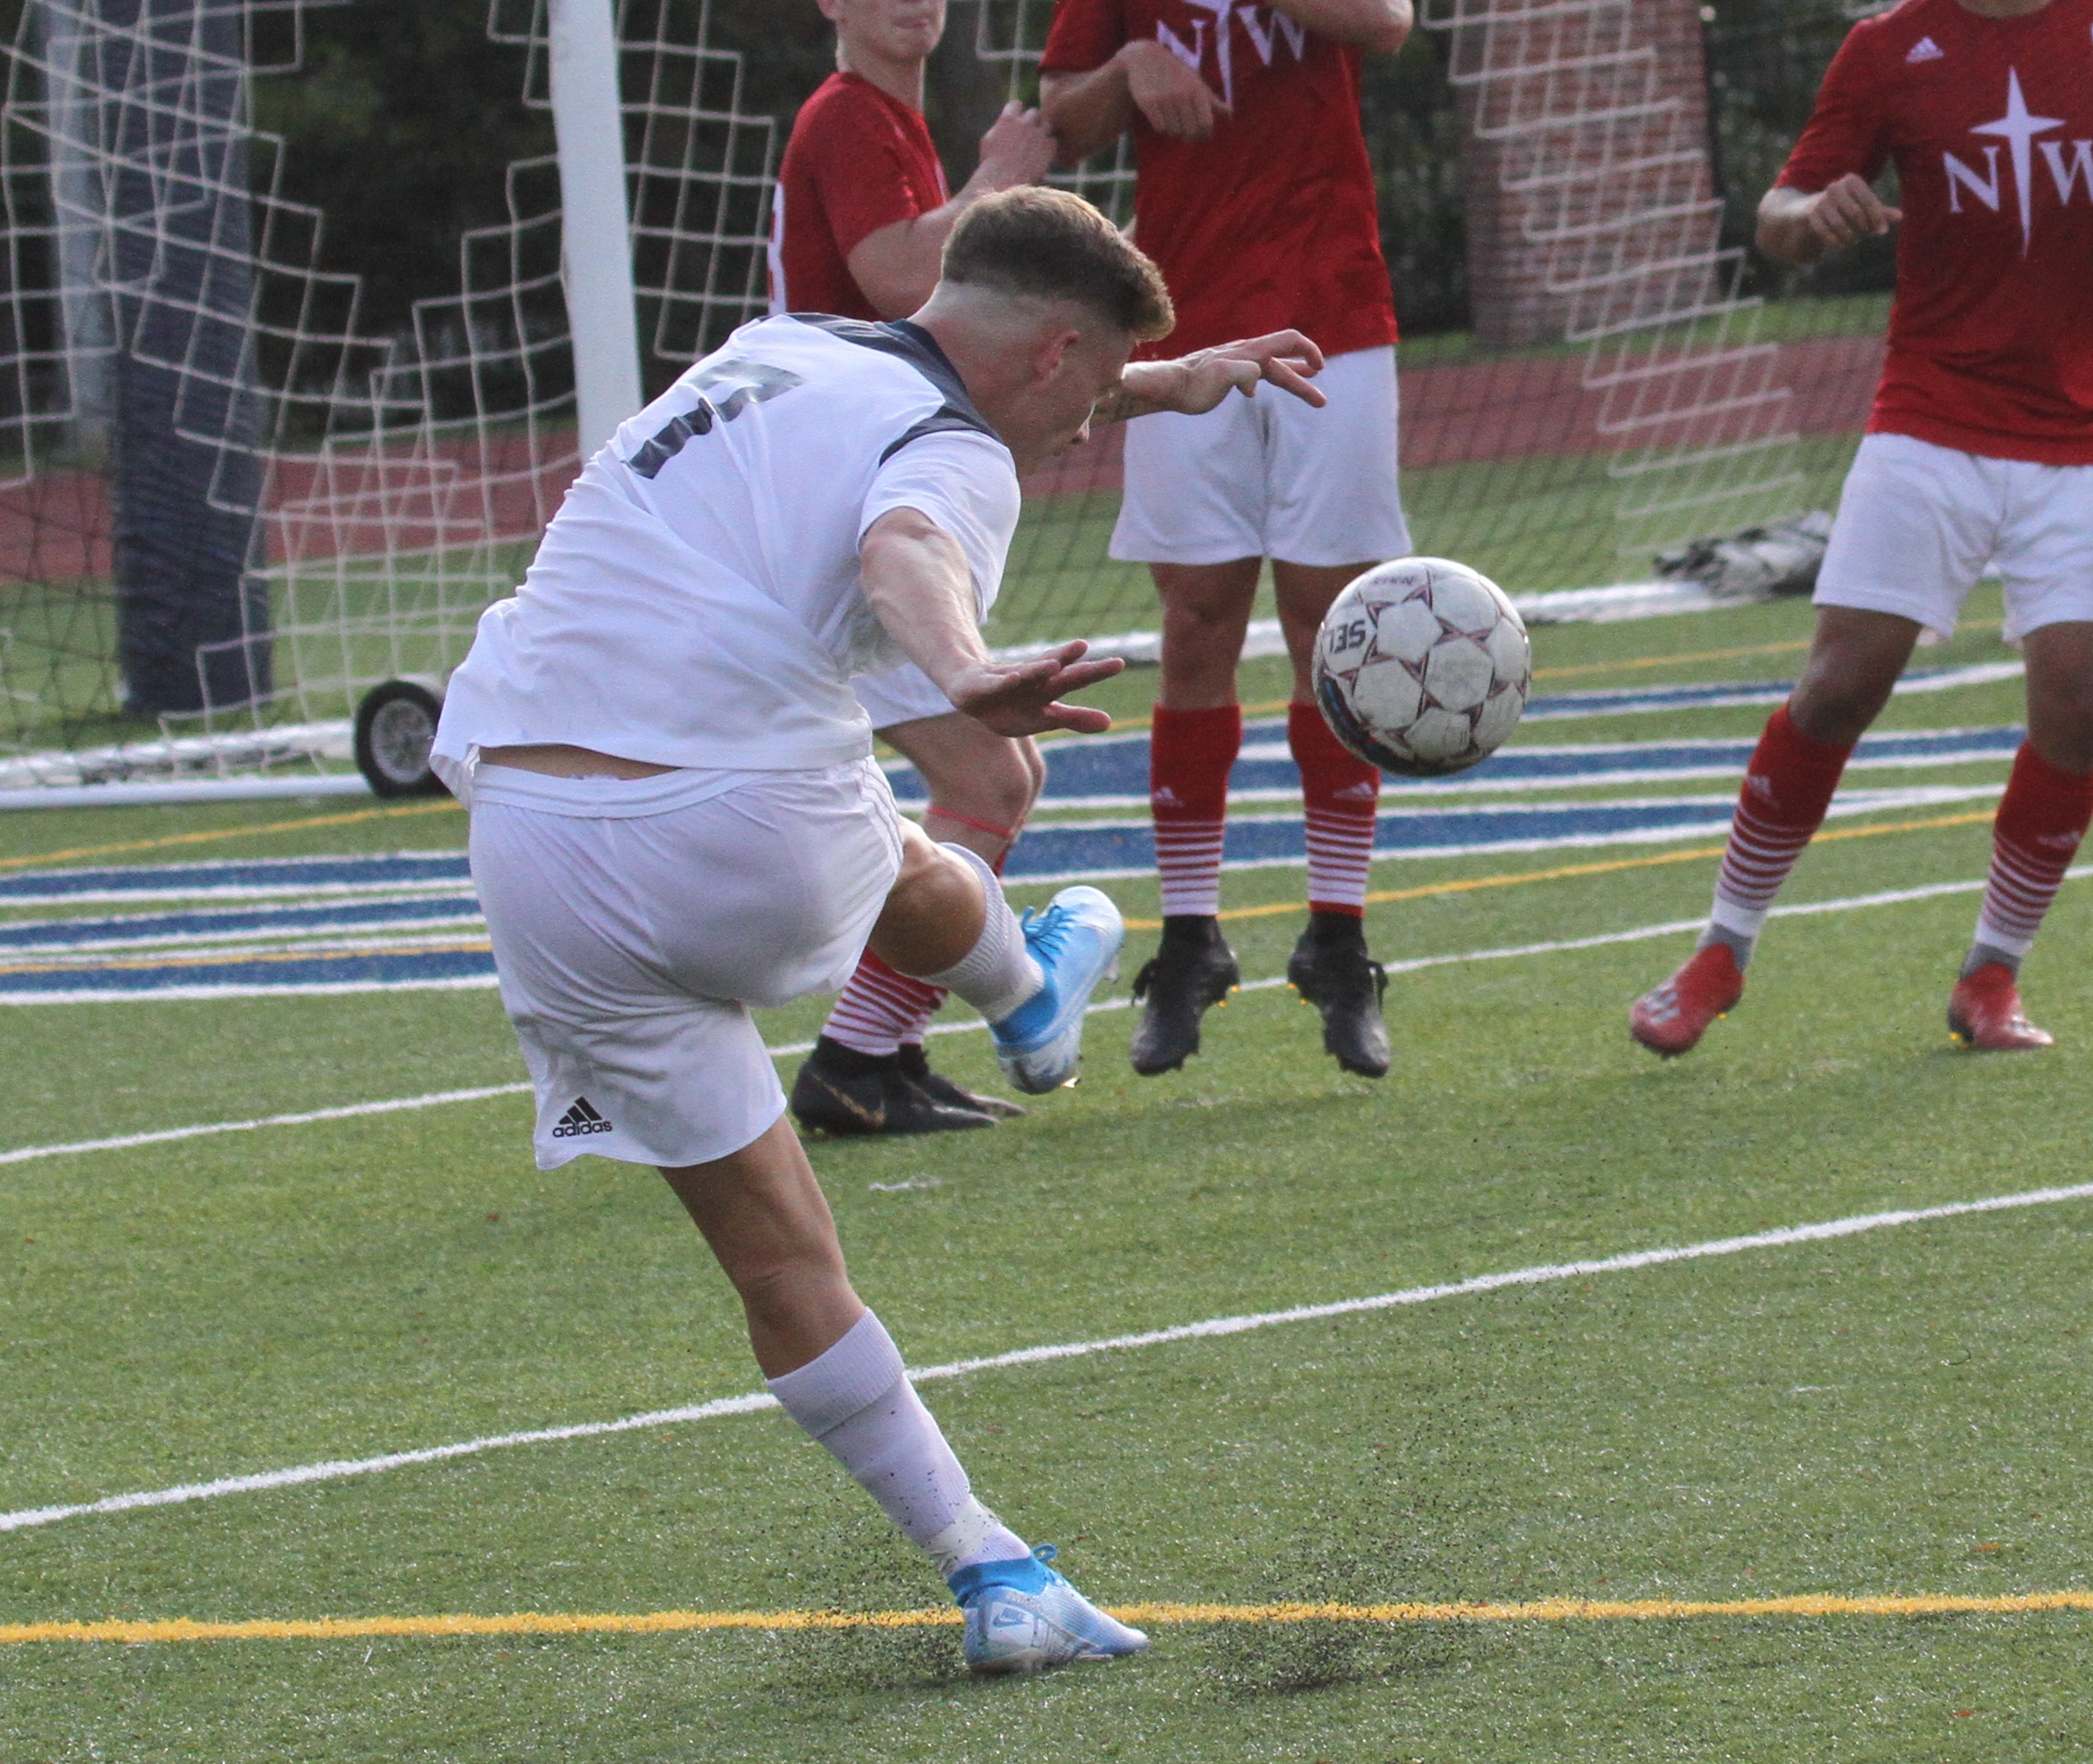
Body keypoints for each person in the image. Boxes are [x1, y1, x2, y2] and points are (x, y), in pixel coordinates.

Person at [430, 188, 1328, 1670]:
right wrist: (966, 669)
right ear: (1052, 351)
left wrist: (1164, 378)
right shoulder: (959, 453)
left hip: (528, 841)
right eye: (1092, 391)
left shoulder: (775, 345)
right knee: (938, 811)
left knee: (780, 1257)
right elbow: (906, 537)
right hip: (734, 831)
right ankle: (1025, 990)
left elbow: (956, 395)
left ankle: (991, 1570)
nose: (1082, 431)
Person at [1627, 0, 2093, 1058]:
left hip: (2085, 428)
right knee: (1837, 686)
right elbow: (1777, 216)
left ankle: (1991, 974)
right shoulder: (1885, 45)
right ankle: (1719, 951)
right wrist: (1810, 216)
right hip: (1928, 420)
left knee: (2079, 703)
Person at [1040, 0, 1418, 1081]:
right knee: (1196, 621)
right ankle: (1188, 940)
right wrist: (1132, 61)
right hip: (1180, 323)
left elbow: (1387, 22)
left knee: (1332, 628)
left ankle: (1336, 939)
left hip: (1332, 310)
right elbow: (1061, 119)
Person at [772, 0, 1066, 1137]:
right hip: (838, 500)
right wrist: (999, 181)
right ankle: (855, 1057)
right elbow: (900, 280)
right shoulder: (847, 116)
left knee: (1004, 771)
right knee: (990, 777)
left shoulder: (887, 122)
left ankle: (880, 1051)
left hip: (850, 483)